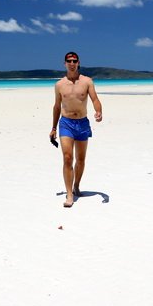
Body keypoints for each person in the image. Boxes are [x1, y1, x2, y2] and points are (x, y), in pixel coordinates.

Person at [50, 51, 103, 208]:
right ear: (64, 63)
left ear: (78, 63)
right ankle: (69, 194)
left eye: (74, 61)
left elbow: (95, 99)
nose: (72, 63)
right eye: (69, 61)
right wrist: (53, 127)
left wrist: (99, 111)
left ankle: (76, 185)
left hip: (82, 123)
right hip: (66, 123)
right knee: (67, 157)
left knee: (80, 160)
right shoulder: (59, 85)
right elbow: (56, 106)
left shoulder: (87, 81)